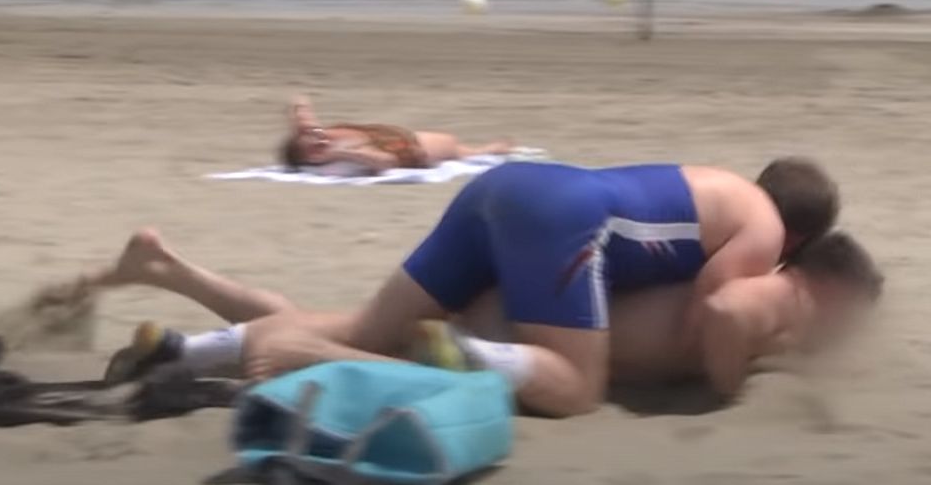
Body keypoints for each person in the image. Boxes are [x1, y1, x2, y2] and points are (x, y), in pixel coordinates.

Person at [70, 156, 839, 417]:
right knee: (576, 388)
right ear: (800, 239)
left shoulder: (721, 186)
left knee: (365, 328)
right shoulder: (766, 226)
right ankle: (464, 354)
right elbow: (710, 310)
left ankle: (190, 348)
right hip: (564, 217)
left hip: (504, 187)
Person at [97, 230, 880, 414]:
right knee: (345, 338)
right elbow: (723, 314)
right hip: (533, 319)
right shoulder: (770, 289)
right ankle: (190, 333)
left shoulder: (744, 266)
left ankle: (184, 340)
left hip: (530, 297)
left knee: (343, 325)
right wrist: (729, 384)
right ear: (834, 289)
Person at [280, 95, 512, 173]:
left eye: (312, 136)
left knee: (460, 149)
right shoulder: (338, 153)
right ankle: (485, 151)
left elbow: (301, 107)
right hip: (412, 150)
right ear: (313, 158)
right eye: (313, 145)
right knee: (455, 148)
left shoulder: (314, 138)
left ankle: (483, 151)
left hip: (394, 137)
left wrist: (302, 113)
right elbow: (386, 162)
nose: (317, 137)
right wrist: (341, 153)